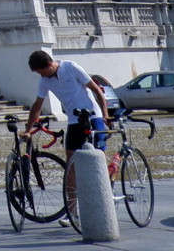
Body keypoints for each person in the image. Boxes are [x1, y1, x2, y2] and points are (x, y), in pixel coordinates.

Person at [23, 50, 109, 207]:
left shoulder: (70, 67)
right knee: (71, 163)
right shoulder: (45, 81)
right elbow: (37, 105)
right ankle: (72, 210)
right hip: (73, 120)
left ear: (49, 64)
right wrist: (28, 130)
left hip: (93, 115)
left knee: (100, 158)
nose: (41, 76)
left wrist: (105, 114)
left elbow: (96, 89)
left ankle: (105, 199)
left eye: (41, 72)